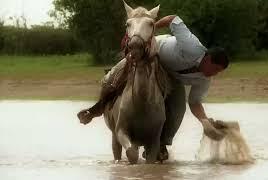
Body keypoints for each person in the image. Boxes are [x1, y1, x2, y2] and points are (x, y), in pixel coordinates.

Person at [77, 15, 229, 160]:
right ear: (208, 58)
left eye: (218, 72)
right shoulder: (192, 45)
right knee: (110, 77)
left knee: (179, 108)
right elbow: (172, 19)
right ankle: (95, 110)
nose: (213, 74)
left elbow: (195, 103)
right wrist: (150, 31)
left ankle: (162, 143)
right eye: (214, 69)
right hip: (152, 54)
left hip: (171, 76)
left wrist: (205, 122)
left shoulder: (205, 80)